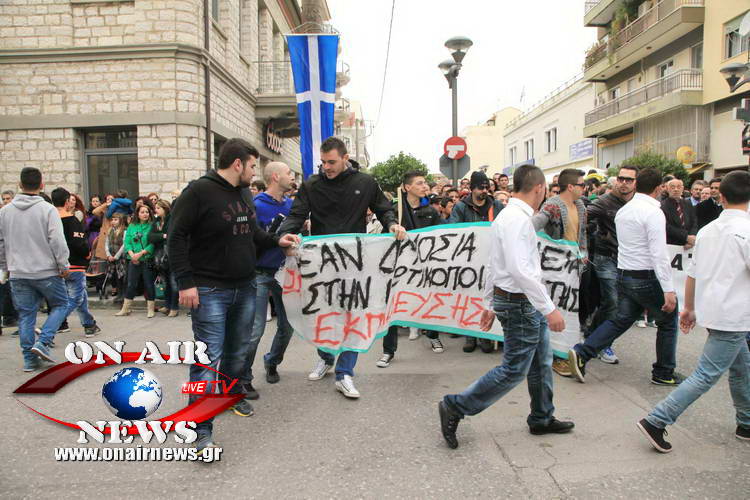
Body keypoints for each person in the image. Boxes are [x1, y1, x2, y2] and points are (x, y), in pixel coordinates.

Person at [169, 138, 299, 453]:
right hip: (209, 289)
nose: (255, 172)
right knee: (207, 360)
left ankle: (228, 397)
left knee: (237, 353)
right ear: (238, 164)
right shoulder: (198, 191)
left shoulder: (243, 194)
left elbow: (251, 233)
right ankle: (199, 429)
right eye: (253, 165)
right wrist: (185, 282)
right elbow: (176, 237)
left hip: (245, 285)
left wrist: (276, 241)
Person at [438, 164, 574, 449]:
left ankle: (542, 416)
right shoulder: (516, 219)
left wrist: (490, 302)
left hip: (521, 301)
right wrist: (549, 309)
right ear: (540, 188)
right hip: (520, 302)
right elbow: (519, 270)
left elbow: (494, 263)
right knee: (514, 369)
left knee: (541, 362)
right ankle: (456, 406)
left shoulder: (510, 216)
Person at [279, 136, 405, 399]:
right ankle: (326, 357)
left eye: (332, 162)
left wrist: (392, 224)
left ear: (346, 158)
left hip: (355, 264)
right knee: (321, 314)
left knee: (353, 316)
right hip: (320, 264)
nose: (326, 167)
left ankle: (344, 373)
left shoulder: (365, 183)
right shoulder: (311, 185)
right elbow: (296, 215)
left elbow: (383, 209)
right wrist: (284, 235)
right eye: (323, 162)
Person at [637, 171, 750, 452]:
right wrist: (689, 308)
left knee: (742, 367)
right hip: (733, 315)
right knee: (706, 375)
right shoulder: (746, 230)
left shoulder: (708, 231)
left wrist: (689, 308)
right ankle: (657, 420)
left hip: (715, 311)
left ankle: (746, 422)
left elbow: (693, 273)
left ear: (721, 196)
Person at [569, 167, 682, 386]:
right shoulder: (652, 213)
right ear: (659, 188)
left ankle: (583, 352)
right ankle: (664, 371)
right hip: (645, 276)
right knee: (668, 320)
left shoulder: (625, 211)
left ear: (637, 185)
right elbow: (658, 253)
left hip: (625, 273)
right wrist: (668, 289)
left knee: (621, 319)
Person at [0, 168, 70, 371]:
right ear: (41, 185)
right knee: (61, 304)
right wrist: (63, 264)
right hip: (46, 270)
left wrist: (5, 267)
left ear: (20, 185)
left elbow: (1, 243)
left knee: (26, 315)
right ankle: (43, 341)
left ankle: (29, 359)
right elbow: (57, 240)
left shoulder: (5, 212)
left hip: (18, 271)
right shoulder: (48, 210)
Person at [240, 161, 297, 401]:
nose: (292, 177)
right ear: (275, 177)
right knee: (255, 330)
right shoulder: (256, 205)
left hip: (286, 273)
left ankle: (272, 361)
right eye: (288, 173)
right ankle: (243, 378)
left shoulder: (292, 205)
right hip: (260, 273)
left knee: (288, 325)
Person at [379, 171, 445, 369]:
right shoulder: (394, 211)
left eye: (425, 183)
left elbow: (441, 235)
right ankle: (388, 351)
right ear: (407, 187)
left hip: (424, 267)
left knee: (429, 302)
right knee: (393, 307)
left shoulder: (431, 211)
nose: (425, 186)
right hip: (399, 268)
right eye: (420, 183)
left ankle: (433, 336)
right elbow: (384, 238)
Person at [533, 169, 588, 377]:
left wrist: (584, 252)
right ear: (571, 186)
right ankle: (554, 355)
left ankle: (562, 352)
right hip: (554, 270)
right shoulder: (552, 205)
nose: (585, 188)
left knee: (569, 311)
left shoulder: (581, 206)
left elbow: (582, 233)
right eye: (582, 185)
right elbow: (535, 224)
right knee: (555, 310)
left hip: (573, 268)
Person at [585, 165, 638, 365]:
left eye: (628, 180)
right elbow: (582, 216)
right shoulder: (604, 201)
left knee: (615, 304)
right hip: (605, 257)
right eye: (621, 178)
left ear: (635, 183)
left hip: (629, 259)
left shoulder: (639, 202)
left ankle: (592, 335)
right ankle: (601, 343)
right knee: (613, 302)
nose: (624, 183)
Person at [448, 170, 504, 354]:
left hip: (490, 259)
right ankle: (470, 336)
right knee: (468, 298)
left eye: (487, 187)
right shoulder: (461, 207)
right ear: (472, 188)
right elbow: (454, 231)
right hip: (468, 261)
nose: (484, 191)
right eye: (480, 187)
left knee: (487, 297)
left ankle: (485, 335)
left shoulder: (496, 205)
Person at [50, 187, 100, 338]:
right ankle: (51, 325)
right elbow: (79, 243)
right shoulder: (72, 221)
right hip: (74, 264)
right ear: (67, 202)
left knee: (80, 294)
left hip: (56, 264)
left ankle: (89, 324)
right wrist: (87, 253)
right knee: (75, 298)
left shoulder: (50, 220)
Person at [116, 204, 156, 318]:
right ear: (137, 214)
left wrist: (141, 253)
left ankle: (151, 309)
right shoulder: (132, 226)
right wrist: (132, 254)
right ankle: (125, 309)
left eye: (147, 212)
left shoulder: (152, 226)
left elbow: (153, 243)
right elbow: (127, 242)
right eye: (142, 212)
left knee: (148, 284)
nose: (145, 214)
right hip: (133, 260)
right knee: (130, 284)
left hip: (147, 259)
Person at [148, 199, 178, 317]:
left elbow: (172, 235)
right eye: (155, 208)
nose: (156, 210)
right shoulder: (156, 221)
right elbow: (150, 237)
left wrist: (161, 236)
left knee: (173, 282)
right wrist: (163, 235)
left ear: (165, 209)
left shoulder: (172, 219)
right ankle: (167, 305)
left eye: (158, 208)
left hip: (172, 255)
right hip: (160, 256)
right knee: (165, 283)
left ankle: (174, 307)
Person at [661, 178, 697, 249]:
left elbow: (694, 222)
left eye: (678, 187)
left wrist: (692, 238)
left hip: (689, 244)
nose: (676, 189)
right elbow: (666, 226)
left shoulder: (688, 203)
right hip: (672, 245)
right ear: (667, 189)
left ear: (682, 189)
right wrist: (686, 237)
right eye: (672, 187)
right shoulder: (663, 206)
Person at [105, 212, 128, 303]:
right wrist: (108, 255)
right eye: (112, 220)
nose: (113, 221)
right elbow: (106, 243)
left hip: (120, 258)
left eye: (116, 220)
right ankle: (119, 294)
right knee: (114, 276)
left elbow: (124, 245)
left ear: (121, 221)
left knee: (121, 276)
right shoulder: (110, 230)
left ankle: (123, 295)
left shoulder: (124, 231)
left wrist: (116, 256)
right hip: (111, 257)